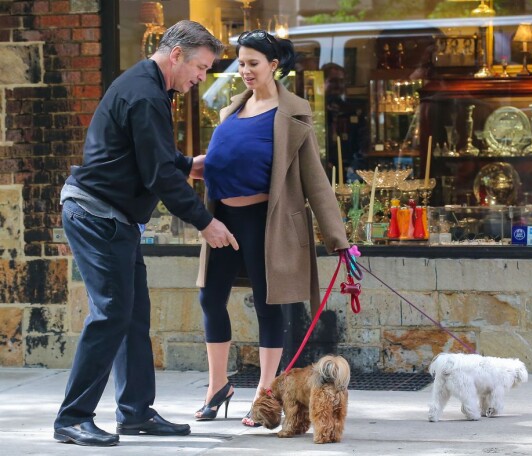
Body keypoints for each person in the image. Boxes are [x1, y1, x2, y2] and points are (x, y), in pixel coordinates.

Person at [53, 21, 238, 447]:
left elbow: (142, 152)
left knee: (133, 315)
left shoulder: (150, 87)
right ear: (176, 55)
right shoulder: (145, 94)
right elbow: (156, 175)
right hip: (96, 215)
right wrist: (205, 222)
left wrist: (185, 162)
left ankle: (135, 413)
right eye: (201, 67)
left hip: (114, 219)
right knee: (111, 313)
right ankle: (72, 417)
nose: (201, 78)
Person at [193, 29, 350, 427]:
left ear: (274, 66)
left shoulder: (291, 115)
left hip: (268, 223)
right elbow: (223, 159)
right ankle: (217, 387)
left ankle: (265, 395)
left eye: (252, 63)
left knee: (268, 306)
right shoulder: (230, 109)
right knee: (211, 299)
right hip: (222, 221)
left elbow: (316, 181)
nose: (244, 70)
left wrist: (339, 240)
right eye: (240, 63)